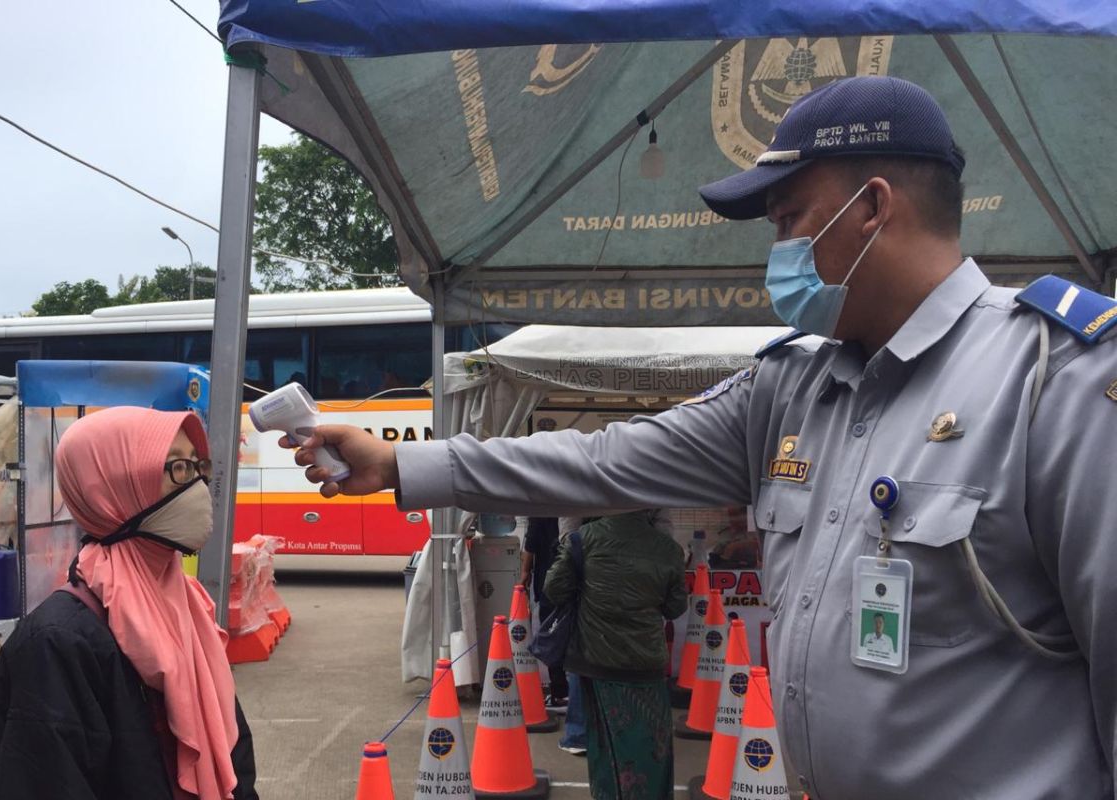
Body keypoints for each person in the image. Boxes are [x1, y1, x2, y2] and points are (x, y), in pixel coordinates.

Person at [288, 76, 1117, 799]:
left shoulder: (1057, 381)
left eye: (790, 218)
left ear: (871, 208)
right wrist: (404, 461)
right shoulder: (789, 386)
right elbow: (605, 463)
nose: (778, 250)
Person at [0, 407, 258, 800]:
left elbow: (235, 759)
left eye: (198, 466)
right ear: (112, 487)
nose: (196, 484)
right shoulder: (57, 642)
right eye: (177, 467)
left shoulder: (191, 607)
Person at [541, 511, 687, 798]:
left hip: (597, 663)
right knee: (650, 747)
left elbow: (554, 589)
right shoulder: (669, 549)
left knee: (604, 746)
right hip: (647, 665)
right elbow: (675, 608)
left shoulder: (583, 540)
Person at [518, 517, 570, 712]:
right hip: (577, 581)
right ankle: (573, 692)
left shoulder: (541, 507)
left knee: (552, 635)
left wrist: (525, 571)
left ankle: (560, 693)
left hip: (549, 580)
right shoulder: (578, 501)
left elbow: (530, 543)